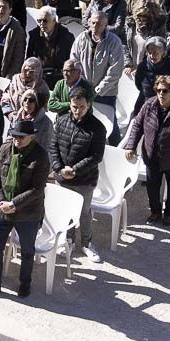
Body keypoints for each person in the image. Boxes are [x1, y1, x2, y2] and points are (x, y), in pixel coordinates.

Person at [0, 117, 48, 299]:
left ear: (31, 136)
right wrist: (2, 202)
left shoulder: (40, 155)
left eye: (21, 137)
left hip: (28, 213)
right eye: (15, 135)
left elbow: (37, 189)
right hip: (3, 209)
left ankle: (25, 283)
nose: (17, 139)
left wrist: (14, 204)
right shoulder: (6, 148)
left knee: (26, 251)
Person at [124, 75, 170, 228]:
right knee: (152, 187)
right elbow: (137, 125)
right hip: (152, 157)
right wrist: (131, 145)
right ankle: (155, 212)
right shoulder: (149, 105)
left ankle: (169, 214)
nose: (161, 94)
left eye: (165, 91)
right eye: (158, 90)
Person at [49, 89, 107, 263]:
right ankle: (68, 240)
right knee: (66, 211)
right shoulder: (61, 121)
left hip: (84, 179)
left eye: (82, 107)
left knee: (84, 212)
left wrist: (74, 170)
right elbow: (54, 146)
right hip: (62, 177)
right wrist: (59, 168)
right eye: (74, 106)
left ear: (88, 105)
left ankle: (87, 243)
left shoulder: (97, 127)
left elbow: (96, 156)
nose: (78, 110)